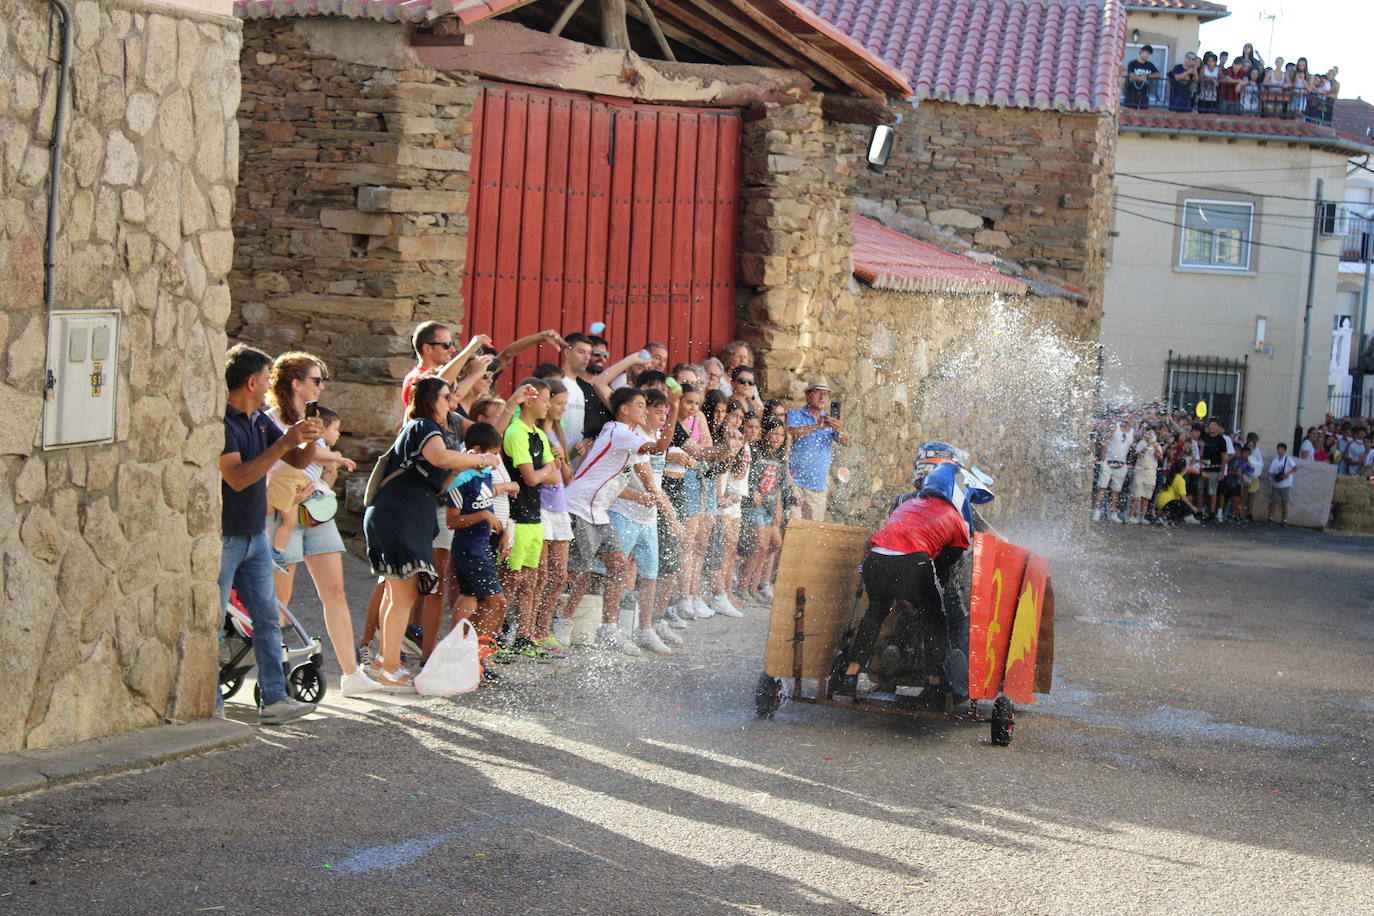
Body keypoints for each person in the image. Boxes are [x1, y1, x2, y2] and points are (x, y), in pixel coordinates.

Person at [363, 376, 501, 691]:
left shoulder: (423, 431)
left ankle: (385, 662)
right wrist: (480, 458)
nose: (451, 402)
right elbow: (439, 458)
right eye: (445, 396)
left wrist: (466, 467)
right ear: (429, 400)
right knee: (402, 596)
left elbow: (440, 484)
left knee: (398, 595)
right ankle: (390, 668)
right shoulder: (424, 427)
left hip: (402, 514)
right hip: (400, 515)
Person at [263, 354, 380, 697]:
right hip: (285, 511)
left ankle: (351, 673)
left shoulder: (316, 420)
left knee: (336, 591)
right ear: (296, 384)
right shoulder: (271, 420)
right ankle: (275, 678)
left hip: (316, 513)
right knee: (281, 597)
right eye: (317, 380)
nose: (322, 386)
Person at [219, 344, 323, 724]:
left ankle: (275, 699)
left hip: (254, 536)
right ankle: (211, 704)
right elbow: (238, 477)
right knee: (213, 624)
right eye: (265, 378)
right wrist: (285, 441)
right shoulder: (224, 426)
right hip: (225, 538)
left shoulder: (260, 422)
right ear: (251, 381)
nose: (268, 386)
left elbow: (295, 459)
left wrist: (307, 438)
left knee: (266, 619)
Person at [832, 464, 971, 700]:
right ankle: (934, 682)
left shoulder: (908, 504)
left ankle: (850, 674)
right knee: (934, 618)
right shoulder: (957, 520)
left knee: (875, 613)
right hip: (912, 562)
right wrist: (915, 598)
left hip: (876, 559)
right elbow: (943, 567)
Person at [561, 387, 678, 655]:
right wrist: (676, 406)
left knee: (618, 567)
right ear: (624, 410)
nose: (645, 410)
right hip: (580, 506)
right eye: (639, 405)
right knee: (571, 573)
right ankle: (558, 624)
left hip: (599, 512)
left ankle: (608, 630)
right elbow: (660, 447)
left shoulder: (628, 435)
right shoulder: (619, 432)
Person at [499, 378, 560, 659]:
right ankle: (498, 635)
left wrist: (546, 471)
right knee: (511, 579)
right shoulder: (516, 433)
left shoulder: (537, 433)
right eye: (546, 399)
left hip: (534, 516)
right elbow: (533, 477)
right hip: (516, 517)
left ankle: (524, 636)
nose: (548, 405)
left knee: (532, 579)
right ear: (530, 400)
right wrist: (547, 470)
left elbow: (554, 474)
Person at [445, 421, 508, 682]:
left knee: (470, 598)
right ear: (478, 450)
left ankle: (462, 656)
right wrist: (482, 515)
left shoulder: (484, 473)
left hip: (484, 545)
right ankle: (476, 657)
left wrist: (501, 531)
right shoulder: (463, 477)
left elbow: (487, 506)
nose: (498, 460)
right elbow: (452, 520)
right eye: (494, 454)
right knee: (497, 603)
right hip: (469, 548)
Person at [536, 380, 577, 654]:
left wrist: (562, 458)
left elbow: (568, 476)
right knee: (539, 574)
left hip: (559, 505)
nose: (563, 408)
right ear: (546, 402)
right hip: (539, 506)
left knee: (559, 576)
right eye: (559, 403)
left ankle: (543, 629)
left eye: (564, 403)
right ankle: (528, 630)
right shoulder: (535, 433)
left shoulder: (558, 434)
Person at [786, 379, 849, 521]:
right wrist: (818, 426)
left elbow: (846, 442)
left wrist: (840, 430)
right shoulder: (795, 414)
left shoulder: (830, 419)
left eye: (826, 394)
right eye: (818, 393)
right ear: (808, 395)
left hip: (818, 486)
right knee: (793, 528)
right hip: (795, 483)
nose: (822, 398)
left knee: (813, 533)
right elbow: (791, 433)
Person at [739, 420, 788, 602]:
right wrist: (753, 491)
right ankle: (743, 587)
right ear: (766, 434)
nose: (777, 438)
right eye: (774, 433)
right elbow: (745, 473)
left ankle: (753, 586)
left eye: (781, 435)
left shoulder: (780, 458)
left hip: (769, 508)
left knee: (773, 544)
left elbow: (778, 489)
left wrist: (778, 510)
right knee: (759, 546)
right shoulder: (756, 452)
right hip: (754, 505)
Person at [1092, 417, 1134, 521]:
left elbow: (1131, 448)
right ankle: (1097, 511)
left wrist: (1128, 461)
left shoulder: (1132, 432)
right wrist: (1103, 458)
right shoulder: (1115, 427)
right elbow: (1105, 441)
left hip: (1121, 463)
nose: (1130, 420)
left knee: (1116, 490)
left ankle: (1113, 513)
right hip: (1108, 461)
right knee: (1102, 487)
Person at [1127, 427, 1161, 524]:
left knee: (1146, 497)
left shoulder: (1157, 445)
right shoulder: (1141, 443)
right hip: (1140, 473)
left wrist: (1155, 449)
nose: (1150, 436)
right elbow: (1139, 454)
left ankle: (1142, 517)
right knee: (1136, 496)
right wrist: (1147, 445)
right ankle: (1131, 516)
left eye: (1152, 434)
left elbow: (1160, 457)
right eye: (1149, 433)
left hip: (1151, 474)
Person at [1154, 459, 1201, 526]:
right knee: (1185, 503)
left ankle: (1165, 516)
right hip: (1167, 504)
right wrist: (1193, 508)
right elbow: (1183, 497)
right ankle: (1168, 518)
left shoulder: (1171, 475)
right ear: (1183, 469)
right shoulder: (1180, 479)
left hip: (1160, 502)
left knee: (1183, 501)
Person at [1267, 442, 1297, 526]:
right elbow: (1270, 472)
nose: (1280, 451)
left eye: (1282, 449)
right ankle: (1271, 518)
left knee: (1285, 502)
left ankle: (1285, 520)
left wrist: (1287, 473)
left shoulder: (1288, 459)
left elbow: (1295, 468)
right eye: (1279, 449)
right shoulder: (1275, 461)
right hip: (1276, 484)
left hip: (1285, 485)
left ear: (1285, 450)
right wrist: (1276, 475)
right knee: (1274, 501)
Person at [1124, 45, 1160, 110]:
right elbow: (1131, 74)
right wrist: (1139, 78)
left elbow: (1158, 74)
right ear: (1141, 51)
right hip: (1132, 92)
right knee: (1130, 111)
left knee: (1143, 111)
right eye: (1146, 53)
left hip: (1144, 93)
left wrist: (1147, 76)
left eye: (1149, 54)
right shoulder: (1132, 63)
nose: (1147, 55)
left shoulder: (1150, 65)